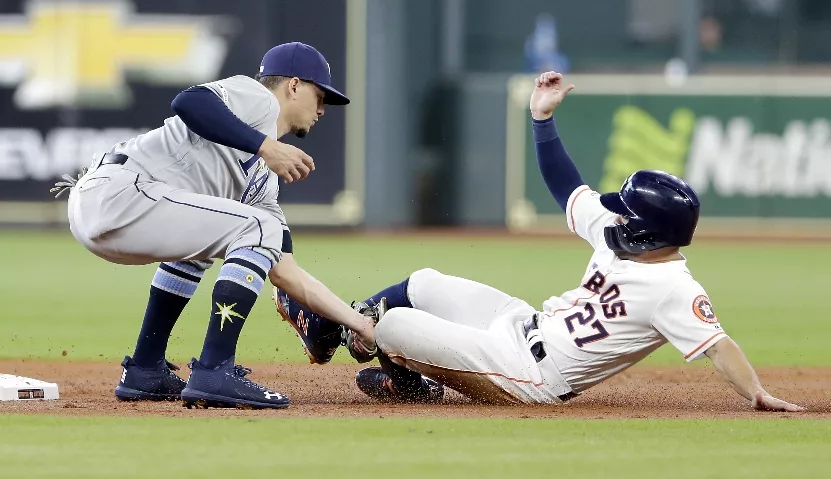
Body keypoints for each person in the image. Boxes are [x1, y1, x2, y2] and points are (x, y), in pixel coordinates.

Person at [341, 72, 803, 411]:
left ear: (645, 229)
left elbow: (719, 346)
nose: (615, 212)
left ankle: (411, 386)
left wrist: (757, 394)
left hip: (533, 378)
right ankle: (338, 329)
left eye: (625, 209)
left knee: (397, 324)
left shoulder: (675, 291)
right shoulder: (618, 235)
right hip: (524, 324)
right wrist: (542, 120)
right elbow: (567, 185)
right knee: (425, 282)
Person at [51, 42, 376, 409]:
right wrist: (266, 146)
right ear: (294, 85)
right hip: (119, 192)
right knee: (256, 225)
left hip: (115, 206)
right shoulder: (259, 99)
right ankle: (214, 370)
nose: (322, 109)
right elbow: (189, 102)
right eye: (320, 96)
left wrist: (358, 323)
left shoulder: (262, 181)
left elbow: (285, 271)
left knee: (223, 240)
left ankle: (145, 368)